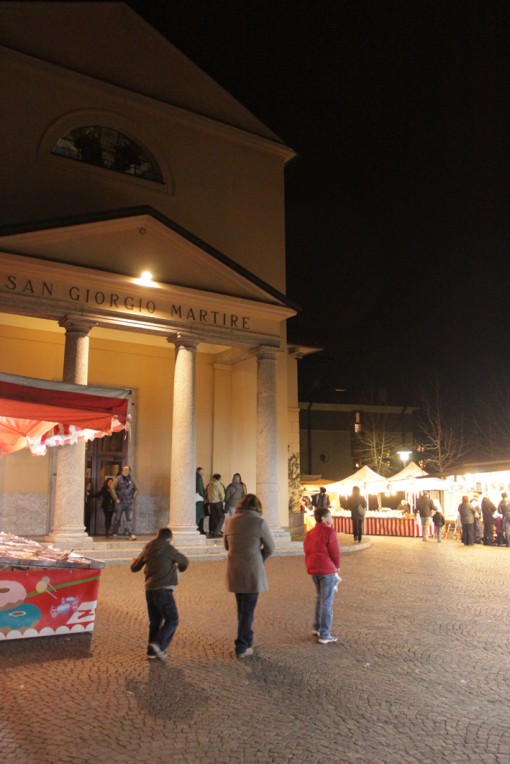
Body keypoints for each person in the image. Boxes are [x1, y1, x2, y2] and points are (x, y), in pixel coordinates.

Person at [223, 493, 275, 658]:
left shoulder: (230, 521)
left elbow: (226, 545)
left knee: (242, 608)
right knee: (248, 610)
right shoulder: (259, 522)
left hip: (235, 567)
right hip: (252, 569)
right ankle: (241, 645)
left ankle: (248, 639)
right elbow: (270, 547)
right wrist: (260, 558)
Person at [130, 527, 189, 661]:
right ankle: (159, 645)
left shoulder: (148, 547)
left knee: (155, 622)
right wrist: (180, 568)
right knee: (172, 619)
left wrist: (133, 562)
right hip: (164, 589)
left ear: (157, 535)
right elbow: (184, 561)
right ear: (169, 538)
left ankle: (151, 652)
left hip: (150, 589)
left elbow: (135, 567)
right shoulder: (168, 548)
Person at [304, 507, 341, 644]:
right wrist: (337, 566)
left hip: (314, 569)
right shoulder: (330, 532)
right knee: (327, 601)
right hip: (327, 570)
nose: (332, 518)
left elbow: (307, 550)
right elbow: (335, 552)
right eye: (330, 516)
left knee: (320, 598)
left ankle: (317, 628)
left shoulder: (310, 533)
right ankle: (325, 634)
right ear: (324, 518)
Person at [111, 465, 139, 540]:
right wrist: (115, 498)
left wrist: (134, 496)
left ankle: (131, 534)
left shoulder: (132, 479)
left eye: (127, 470)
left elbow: (137, 489)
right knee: (117, 518)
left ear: (129, 471)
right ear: (122, 470)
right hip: (120, 502)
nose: (126, 471)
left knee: (129, 519)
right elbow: (112, 488)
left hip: (129, 502)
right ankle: (115, 532)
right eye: (124, 469)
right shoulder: (117, 479)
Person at [206, 473, 225, 538]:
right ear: (219, 478)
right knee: (221, 517)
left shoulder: (209, 485)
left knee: (213, 516)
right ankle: (217, 531)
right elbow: (222, 495)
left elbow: (207, 493)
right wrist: (222, 500)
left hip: (211, 503)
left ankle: (212, 530)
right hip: (218, 502)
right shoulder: (219, 485)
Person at [195, 467, 206, 535]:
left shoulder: (194, 477)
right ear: (198, 471)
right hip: (199, 498)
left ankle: (198, 528)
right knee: (199, 514)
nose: (203, 473)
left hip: (194, 498)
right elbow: (200, 488)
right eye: (202, 471)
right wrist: (204, 497)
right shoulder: (199, 478)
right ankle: (198, 528)